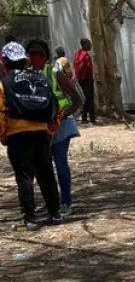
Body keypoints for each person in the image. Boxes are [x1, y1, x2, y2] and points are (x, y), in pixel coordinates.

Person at [0, 42, 62, 228]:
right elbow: (55, 107)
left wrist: (3, 136)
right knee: (46, 174)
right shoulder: (40, 79)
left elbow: (1, 112)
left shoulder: (4, 83)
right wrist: (50, 130)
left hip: (18, 136)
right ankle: (55, 214)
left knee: (24, 176)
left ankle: (30, 218)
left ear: (4, 62)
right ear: (25, 60)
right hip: (42, 135)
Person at [49, 48, 85, 215]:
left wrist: (63, 115)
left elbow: (77, 99)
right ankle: (53, 203)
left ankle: (65, 202)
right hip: (42, 128)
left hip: (61, 125)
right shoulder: (27, 76)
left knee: (60, 163)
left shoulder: (55, 72)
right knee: (45, 167)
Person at [74, 38, 97, 123]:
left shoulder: (77, 54)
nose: (90, 45)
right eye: (88, 44)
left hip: (80, 79)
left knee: (85, 98)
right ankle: (92, 118)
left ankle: (84, 118)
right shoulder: (86, 55)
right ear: (84, 45)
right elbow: (89, 68)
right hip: (87, 79)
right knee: (90, 98)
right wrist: (92, 77)